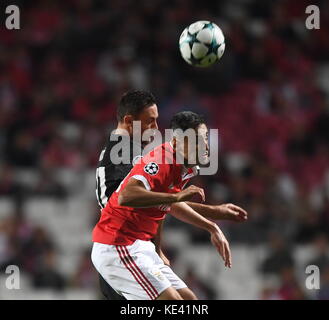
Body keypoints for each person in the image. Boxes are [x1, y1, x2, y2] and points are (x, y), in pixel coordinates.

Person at [91, 111, 248, 300]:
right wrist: (177, 197)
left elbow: (162, 205)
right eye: (197, 140)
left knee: (190, 299)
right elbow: (126, 195)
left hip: (140, 246)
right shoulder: (161, 161)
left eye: (205, 138)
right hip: (118, 244)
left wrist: (211, 225)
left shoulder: (187, 167)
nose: (205, 146)